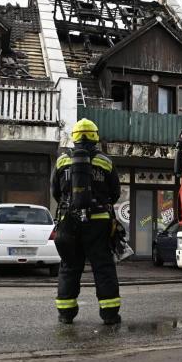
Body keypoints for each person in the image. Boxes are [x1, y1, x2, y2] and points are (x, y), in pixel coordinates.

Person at [51, 118, 122, 325]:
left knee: (69, 267)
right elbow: (115, 193)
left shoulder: (62, 161)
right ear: (95, 137)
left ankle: (66, 313)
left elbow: (55, 192)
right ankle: (109, 315)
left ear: (74, 137)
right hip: (98, 222)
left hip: (67, 221)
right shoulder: (105, 162)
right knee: (103, 267)